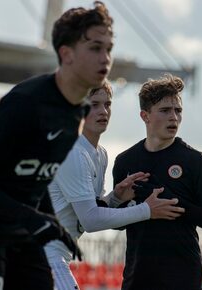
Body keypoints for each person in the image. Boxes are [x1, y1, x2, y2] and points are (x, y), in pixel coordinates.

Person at [0, 1, 114, 290]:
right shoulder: (26, 103)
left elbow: (39, 180)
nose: (106, 59)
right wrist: (35, 218)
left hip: (24, 232)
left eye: (108, 49)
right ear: (67, 54)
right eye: (95, 48)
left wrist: (53, 224)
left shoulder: (76, 112)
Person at [44, 81, 184, 290]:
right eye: (94, 105)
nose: (103, 111)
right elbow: (90, 220)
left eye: (107, 104)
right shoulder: (72, 151)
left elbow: (92, 210)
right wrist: (146, 210)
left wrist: (116, 198)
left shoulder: (100, 154)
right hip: (39, 255)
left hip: (54, 256)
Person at [112, 74, 202, 290]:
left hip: (183, 280)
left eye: (178, 110)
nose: (174, 117)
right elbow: (117, 225)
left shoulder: (194, 161)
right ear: (145, 116)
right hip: (137, 280)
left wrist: (172, 204)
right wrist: (121, 200)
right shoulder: (126, 161)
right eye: (165, 110)